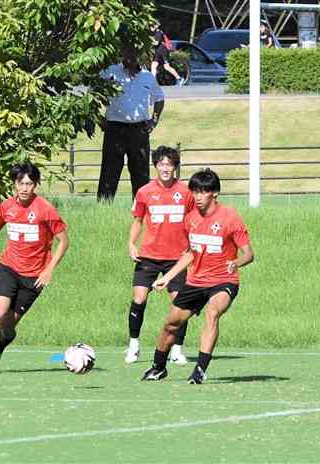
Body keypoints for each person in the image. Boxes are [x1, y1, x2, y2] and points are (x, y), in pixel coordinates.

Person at [141, 168, 254, 383]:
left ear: (215, 193)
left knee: (212, 313)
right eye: (195, 192)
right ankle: (158, 367)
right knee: (170, 325)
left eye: (203, 192)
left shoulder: (230, 218)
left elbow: (249, 254)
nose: (198, 197)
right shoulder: (190, 219)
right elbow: (191, 253)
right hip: (195, 281)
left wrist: (236, 262)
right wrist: (168, 276)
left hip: (223, 280)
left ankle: (200, 370)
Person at [0, 161, 69, 374]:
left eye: (29, 183)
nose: (25, 188)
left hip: (34, 277)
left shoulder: (45, 209)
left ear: (35, 185)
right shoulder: (6, 207)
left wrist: (49, 269)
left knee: (8, 325)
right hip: (8, 268)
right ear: (14, 184)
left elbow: (64, 241)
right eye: (21, 183)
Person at [125, 146, 195, 365]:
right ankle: (134, 346)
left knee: (180, 305)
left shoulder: (186, 193)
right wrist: (131, 244)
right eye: (161, 164)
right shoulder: (144, 192)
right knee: (139, 299)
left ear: (175, 167)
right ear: (155, 166)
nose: (165, 168)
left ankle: (176, 350)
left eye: (170, 164)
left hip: (177, 258)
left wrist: (192, 248)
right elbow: (137, 221)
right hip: (149, 256)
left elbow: (194, 222)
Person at [97, 45, 165, 202]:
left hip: (139, 130)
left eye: (134, 53)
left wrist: (154, 120)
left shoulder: (147, 76)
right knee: (109, 172)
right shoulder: (111, 72)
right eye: (127, 51)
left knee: (140, 174)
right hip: (114, 129)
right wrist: (98, 118)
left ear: (139, 55)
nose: (130, 56)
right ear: (122, 52)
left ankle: (140, 210)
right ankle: (103, 209)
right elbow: (92, 93)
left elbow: (159, 98)